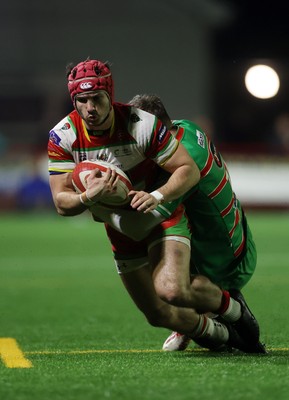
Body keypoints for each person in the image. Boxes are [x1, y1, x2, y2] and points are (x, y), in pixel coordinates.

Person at [48, 58, 264, 354]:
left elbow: (187, 170)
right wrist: (88, 196)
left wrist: (158, 195)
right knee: (157, 314)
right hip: (118, 226)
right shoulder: (62, 136)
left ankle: (236, 314)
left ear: (110, 95)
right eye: (81, 100)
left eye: (97, 98)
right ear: (74, 99)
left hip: (160, 214)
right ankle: (220, 335)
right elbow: (61, 203)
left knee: (172, 290)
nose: (90, 108)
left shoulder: (140, 123)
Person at [127, 94, 265, 352]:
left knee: (163, 275)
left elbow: (143, 218)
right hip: (237, 237)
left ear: (154, 129)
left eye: (136, 131)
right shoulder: (185, 128)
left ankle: (220, 312)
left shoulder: (181, 165)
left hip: (223, 260)